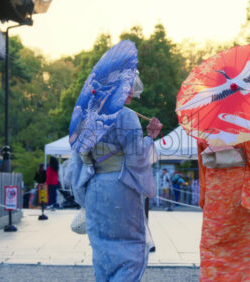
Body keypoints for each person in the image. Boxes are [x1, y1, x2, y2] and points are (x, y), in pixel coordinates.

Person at [65, 71, 162, 281]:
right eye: (127, 87)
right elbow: (136, 159)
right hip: (120, 186)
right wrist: (150, 137)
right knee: (131, 251)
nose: (131, 92)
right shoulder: (126, 116)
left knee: (102, 253)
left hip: (94, 185)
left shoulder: (85, 117)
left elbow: (77, 159)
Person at [197, 135, 250, 281]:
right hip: (242, 191)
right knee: (246, 249)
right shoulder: (249, 129)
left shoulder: (204, 128)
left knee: (213, 245)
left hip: (216, 194)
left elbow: (202, 163)